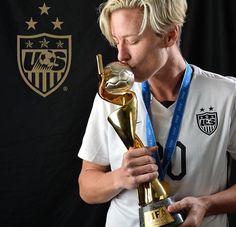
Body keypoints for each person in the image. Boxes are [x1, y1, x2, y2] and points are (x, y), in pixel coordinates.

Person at [78, 0, 236, 226]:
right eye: (116, 41)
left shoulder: (227, 95)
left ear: (170, 35)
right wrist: (119, 178)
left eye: (133, 41)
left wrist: (207, 204)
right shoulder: (111, 96)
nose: (121, 55)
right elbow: (86, 186)